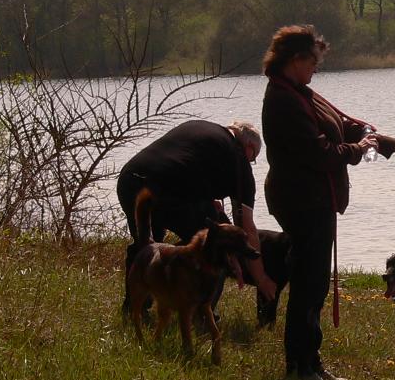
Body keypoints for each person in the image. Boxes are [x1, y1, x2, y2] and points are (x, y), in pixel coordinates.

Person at [261, 25, 395, 380]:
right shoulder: (283, 99)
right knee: (307, 283)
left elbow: (345, 124)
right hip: (301, 202)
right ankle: (300, 366)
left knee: (314, 282)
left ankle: (310, 361)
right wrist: (358, 150)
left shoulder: (302, 93)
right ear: (297, 59)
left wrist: (386, 142)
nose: (317, 68)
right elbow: (319, 152)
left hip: (316, 201)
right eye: (314, 61)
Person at [116, 119, 276, 311]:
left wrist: (205, 199)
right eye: (253, 157)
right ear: (249, 146)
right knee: (216, 248)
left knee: (146, 245)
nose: (250, 162)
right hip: (165, 191)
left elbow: (184, 165)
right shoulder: (237, 157)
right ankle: (201, 316)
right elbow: (246, 227)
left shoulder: (199, 128)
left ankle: (135, 310)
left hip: (129, 182)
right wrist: (261, 279)